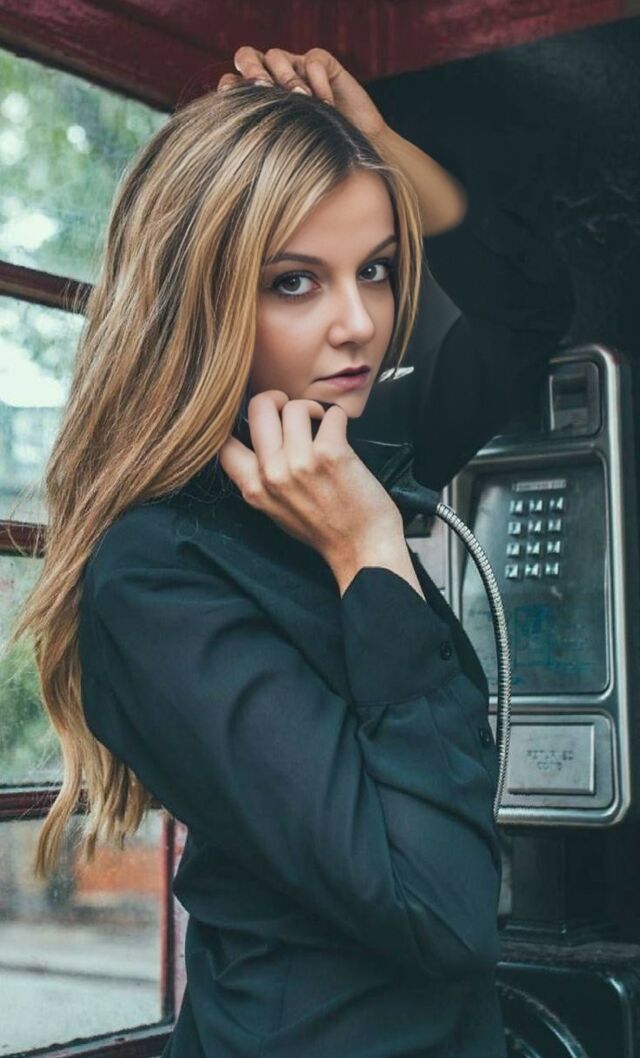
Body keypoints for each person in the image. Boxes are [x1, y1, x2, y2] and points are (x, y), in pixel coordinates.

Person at [14, 47, 574, 1058]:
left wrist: (383, 147)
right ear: (201, 298)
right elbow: (441, 911)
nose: (358, 325)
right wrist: (368, 551)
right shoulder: (157, 575)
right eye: (295, 282)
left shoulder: (341, 451)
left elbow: (529, 307)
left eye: (376, 269)